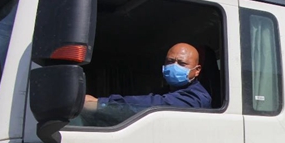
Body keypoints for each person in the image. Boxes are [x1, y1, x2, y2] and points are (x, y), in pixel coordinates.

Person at [84, 43, 212, 112]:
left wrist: (103, 104)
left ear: (197, 70)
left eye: (182, 63)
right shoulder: (165, 91)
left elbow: (155, 104)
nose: (174, 66)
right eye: (170, 61)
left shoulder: (197, 97)